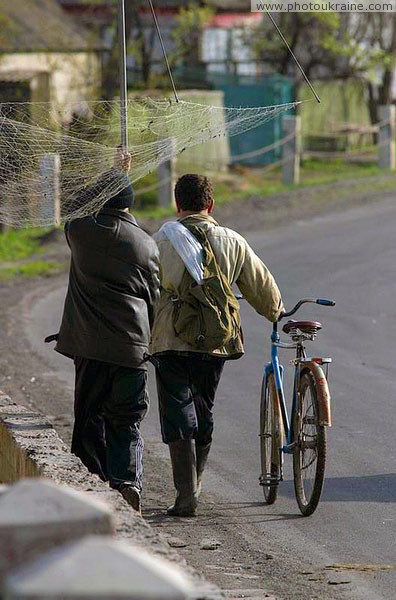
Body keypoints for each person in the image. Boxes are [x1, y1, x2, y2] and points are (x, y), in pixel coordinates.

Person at [151, 173, 284, 517]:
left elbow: (148, 287)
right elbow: (260, 284)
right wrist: (276, 312)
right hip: (216, 339)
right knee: (203, 406)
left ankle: (185, 495)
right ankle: (195, 484)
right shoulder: (232, 241)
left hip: (170, 338)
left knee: (177, 407)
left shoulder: (162, 239)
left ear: (177, 204)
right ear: (210, 205)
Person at [54, 152, 160, 513]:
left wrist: (115, 173)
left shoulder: (80, 232)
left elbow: (71, 203)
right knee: (126, 421)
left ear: (100, 201)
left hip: (89, 348)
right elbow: (154, 299)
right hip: (131, 350)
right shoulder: (146, 245)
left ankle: (89, 489)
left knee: (89, 420)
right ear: (130, 205)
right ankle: (126, 480)